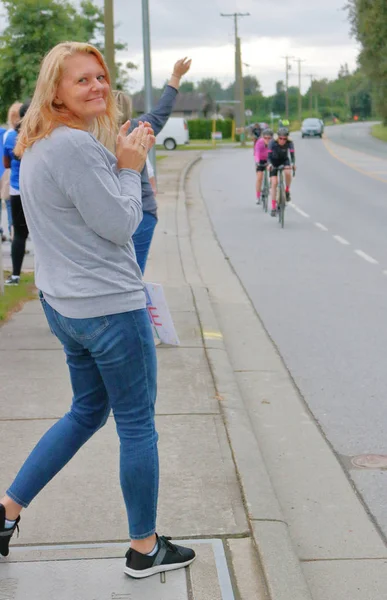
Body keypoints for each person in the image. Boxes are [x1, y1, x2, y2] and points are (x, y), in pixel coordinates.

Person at [0, 41, 195, 579]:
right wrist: (131, 168)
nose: (97, 87)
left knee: (86, 412)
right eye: (81, 79)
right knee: (137, 426)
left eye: (101, 76)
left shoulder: (35, 143)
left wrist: (116, 164)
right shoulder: (74, 146)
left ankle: (6, 512)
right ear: (55, 90)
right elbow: (121, 225)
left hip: (65, 305)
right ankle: (143, 548)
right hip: (108, 308)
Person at [110, 59, 191, 275]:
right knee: (132, 276)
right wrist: (176, 76)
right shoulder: (140, 127)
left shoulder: (120, 131)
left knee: (128, 280)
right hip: (141, 211)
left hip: (132, 213)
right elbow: (162, 110)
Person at [3, 100, 30, 285]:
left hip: (16, 190)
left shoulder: (11, 136)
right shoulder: (41, 135)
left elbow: (6, 163)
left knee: (19, 234)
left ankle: (15, 275)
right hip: (37, 191)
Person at [0, 102, 22, 242]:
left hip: (12, 182)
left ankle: (13, 233)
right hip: (27, 184)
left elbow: (6, 162)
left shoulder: (7, 135)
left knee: (11, 210)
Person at [268, 127, 296, 216]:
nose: (282, 140)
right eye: (280, 138)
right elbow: (268, 156)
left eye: (284, 139)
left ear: (287, 138)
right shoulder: (272, 142)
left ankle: (287, 191)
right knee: (274, 183)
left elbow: (292, 155)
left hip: (284, 160)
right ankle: (273, 207)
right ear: (278, 137)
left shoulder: (290, 143)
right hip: (273, 162)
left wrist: (293, 164)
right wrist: (269, 164)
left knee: (288, 173)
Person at [254, 128, 273, 204]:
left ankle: (272, 187)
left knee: (273, 177)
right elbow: (257, 153)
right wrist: (257, 162)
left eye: (269, 138)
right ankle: (258, 197)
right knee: (259, 178)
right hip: (261, 160)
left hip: (270, 160)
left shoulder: (273, 143)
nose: (267, 140)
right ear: (262, 137)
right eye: (265, 138)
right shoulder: (259, 142)